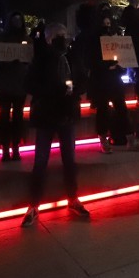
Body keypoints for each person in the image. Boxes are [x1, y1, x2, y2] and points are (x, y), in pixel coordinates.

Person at [21, 23, 90, 227]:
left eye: (65, 35)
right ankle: (33, 205)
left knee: (69, 159)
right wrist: (55, 90)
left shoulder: (72, 56)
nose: (63, 38)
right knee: (40, 161)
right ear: (49, 38)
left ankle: (73, 198)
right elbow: (29, 84)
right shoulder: (41, 58)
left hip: (67, 114)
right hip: (46, 115)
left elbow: (83, 79)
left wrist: (74, 89)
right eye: (59, 36)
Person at [87, 15, 139, 153]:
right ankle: (103, 141)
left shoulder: (114, 39)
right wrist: (105, 65)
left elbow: (123, 58)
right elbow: (91, 62)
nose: (107, 26)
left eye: (109, 23)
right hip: (101, 81)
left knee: (122, 109)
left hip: (114, 80)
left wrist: (121, 67)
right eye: (104, 24)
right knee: (103, 110)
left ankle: (130, 140)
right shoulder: (93, 43)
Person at [0, 12, 30, 161]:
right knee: (6, 117)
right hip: (7, 84)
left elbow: (30, 59)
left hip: (18, 85)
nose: (17, 23)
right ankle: (6, 149)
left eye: (18, 20)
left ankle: (14, 148)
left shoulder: (25, 40)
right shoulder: (2, 39)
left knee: (16, 118)